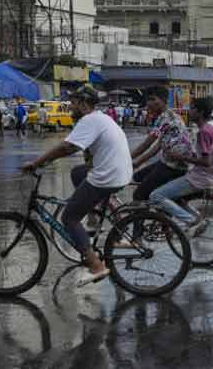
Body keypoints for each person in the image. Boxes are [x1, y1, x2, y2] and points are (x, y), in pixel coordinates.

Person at [21, 84, 132, 284]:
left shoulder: (89, 120)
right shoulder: (101, 118)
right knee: (78, 173)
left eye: (72, 103)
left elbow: (66, 148)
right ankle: (95, 216)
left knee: (70, 217)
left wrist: (37, 163)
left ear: (83, 104)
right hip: (119, 172)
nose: (69, 107)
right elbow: (84, 156)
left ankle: (96, 266)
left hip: (108, 176)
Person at [148, 97, 213, 232]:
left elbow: (207, 161)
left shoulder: (203, 132)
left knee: (155, 196)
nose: (189, 111)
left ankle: (191, 220)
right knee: (176, 198)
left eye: (192, 108)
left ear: (200, 112)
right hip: (209, 177)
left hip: (199, 178)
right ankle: (197, 218)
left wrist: (180, 156)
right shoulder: (212, 129)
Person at [128, 87, 194, 203]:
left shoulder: (166, 118)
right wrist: (137, 162)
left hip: (173, 166)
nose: (149, 103)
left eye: (153, 99)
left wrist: (126, 159)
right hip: (167, 161)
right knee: (138, 177)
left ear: (163, 100)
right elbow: (158, 146)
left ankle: (144, 217)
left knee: (138, 195)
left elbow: (147, 144)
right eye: (148, 100)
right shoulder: (168, 116)